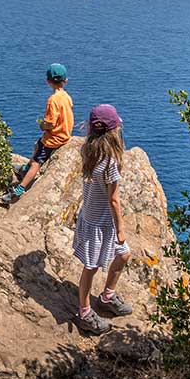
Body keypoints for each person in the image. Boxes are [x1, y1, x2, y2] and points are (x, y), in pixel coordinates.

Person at [71, 104, 134, 335]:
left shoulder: (88, 150)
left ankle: (107, 297)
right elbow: (114, 200)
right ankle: (85, 312)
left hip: (90, 217)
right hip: (101, 223)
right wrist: (121, 230)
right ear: (113, 130)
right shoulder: (110, 162)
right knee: (91, 267)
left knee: (122, 255)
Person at [1, 63, 74, 205]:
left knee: (36, 163)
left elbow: (50, 123)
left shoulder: (53, 100)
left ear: (48, 81)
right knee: (37, 145)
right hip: (65, 134)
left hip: (54, 139)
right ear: (66, 80)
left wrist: (42, 125)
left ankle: (19, 190)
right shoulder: (66, 96)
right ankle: (24, 169)